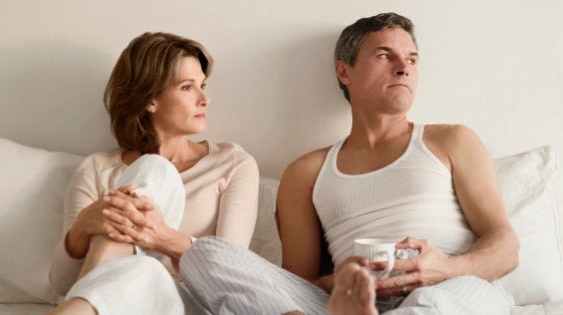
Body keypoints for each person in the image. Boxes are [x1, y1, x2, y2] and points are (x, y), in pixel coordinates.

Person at [179, 12, 519, 314]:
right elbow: (297, 284)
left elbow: (506, 249)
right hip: (353, 302)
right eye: (385, 56)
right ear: (345, 71)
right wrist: (343, 281)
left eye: (412, 59)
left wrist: (444, 269)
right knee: (205, 255)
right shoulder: (306, 172)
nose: (403, 67)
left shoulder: (451, 140)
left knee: (433, 304)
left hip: (453, 289)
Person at [47, 32, 260, 315]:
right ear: (150, 98)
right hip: (114, 305)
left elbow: (231, 271)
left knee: (147, 268)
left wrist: (160, 237)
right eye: (187, 87)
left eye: (202, 85)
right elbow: (61, 283)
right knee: (154, 168)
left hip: (188, 305)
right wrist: (84, 225)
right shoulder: (98, 169)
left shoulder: (232, 163)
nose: (204, 98)